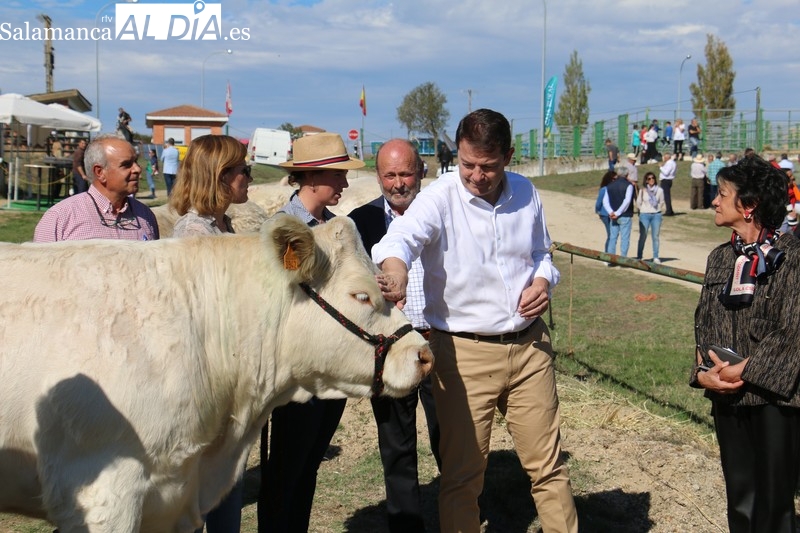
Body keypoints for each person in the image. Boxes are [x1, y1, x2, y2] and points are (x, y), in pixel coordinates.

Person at [373, 108, 578, 533]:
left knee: (549, 468)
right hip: (463, 355)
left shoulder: (527, 192)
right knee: (463, 477)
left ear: (508, 156)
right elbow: (401, 239)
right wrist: (394, 270)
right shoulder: (439, 197)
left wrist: (543, 280)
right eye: (468, 164)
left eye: (488, 166)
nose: (477, 175)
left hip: (530, 349)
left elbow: (542, 253)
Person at [258, 132, 364, 533]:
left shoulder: (338, 228)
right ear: (313, 177)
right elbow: (281, 294)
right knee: (286, 469)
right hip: (299, 372)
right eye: (339, 175)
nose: (345, 184)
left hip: (331, 370)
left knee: (307, 468)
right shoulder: (282, 229)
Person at [690, 155, 800, 533]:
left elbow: (793, 331)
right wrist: (703, 373)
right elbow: (703, 322)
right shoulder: (720, 258)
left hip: (776, 400)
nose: (714, 202)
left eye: (722, 194)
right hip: (727, 394)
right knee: (740, 499)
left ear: (749, 206)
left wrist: (747, 368)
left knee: (775, 505)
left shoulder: (793, 258)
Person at [348, 138, 441, 532]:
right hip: (390, 351)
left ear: (421, 171)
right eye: (390, 174)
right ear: (378, 176)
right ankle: (406, 526)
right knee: (396, 445)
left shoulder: (442, 212)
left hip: (440, 342)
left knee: (451, 438)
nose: (399, 182)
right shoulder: (359, 223)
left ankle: (461, 513)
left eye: (406, 173)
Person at [169, 134, 252, 533]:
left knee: (225, 492)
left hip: (228, 382)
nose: (248, 178)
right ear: (220, 177)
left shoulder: (226, 227)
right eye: (242, 171)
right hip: (205, 384)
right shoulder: (193, 234)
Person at [34, 134, 159, 242]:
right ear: (100, 172)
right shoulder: (60, 218)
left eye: (136, 162)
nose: (137, 169)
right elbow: (40, 267)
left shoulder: (146, 215)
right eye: (126, 165)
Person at [603, 165, 634, 258]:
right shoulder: (628, 185)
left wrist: (611, 212)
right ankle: (623, 259)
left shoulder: (609, 185)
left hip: (613, 215)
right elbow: (627, 200)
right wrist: (618, 213)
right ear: (627, 174)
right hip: (624, 214)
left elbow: (605, 201)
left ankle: (611, 258)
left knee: (613, 237)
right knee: (624, 238)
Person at [635, 172, 665, 263]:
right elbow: (638, 203)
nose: (651, 180)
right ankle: (639, 256)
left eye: (653, 178)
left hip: (656, 215)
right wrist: (643, 210)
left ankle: (655, 256)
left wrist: (657, 208)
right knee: (643, 235)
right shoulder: (642, 191)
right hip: (645, 215)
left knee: (655, 236)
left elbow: (662, 201)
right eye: (649, 178)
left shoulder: (659, 190)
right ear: (646, 180)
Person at [595, 170, 616, 255]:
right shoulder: (604, 189)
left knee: (612, 235)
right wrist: (598, 211)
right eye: (614, 179)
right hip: (605, 214)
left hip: (613, 214)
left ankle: (610, 253)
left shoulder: (614, 189)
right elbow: (599, 202)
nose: (615, 181)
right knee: (610, 235)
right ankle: (607, 254)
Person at [659, 152, 677, 216]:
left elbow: (666, 173)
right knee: (667, 196)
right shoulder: (672, 163)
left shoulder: (669, 163)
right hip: (668, 180)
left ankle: (669, 211)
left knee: (666, 196)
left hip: (666, 180)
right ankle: (670, 210)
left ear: (666, 157)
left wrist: (661, 167)